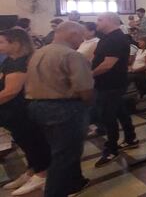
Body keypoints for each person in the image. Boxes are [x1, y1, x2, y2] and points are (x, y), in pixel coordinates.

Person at [26, 22, 93, 197]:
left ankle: (75, 182)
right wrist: (87, 104)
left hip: (37, 106)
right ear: (72, 34)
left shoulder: (40, 52)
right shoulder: (71, 55)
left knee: (57, 148)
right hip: (63, 108)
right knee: (64, 156)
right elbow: (84, 88)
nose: (82, 40)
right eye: (80, 36)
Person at [0, 29, 50, 196]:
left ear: (16, 44)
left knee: (32, 141)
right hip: (12, 111)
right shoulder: (10, 60)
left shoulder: (21, 63)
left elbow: (10, 92)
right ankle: (32, 171)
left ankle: (42, 174)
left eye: (2, 42)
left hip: (21, 110)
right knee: (24, 142)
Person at [92, 12, 137, 167]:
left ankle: (112, 149)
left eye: (99, 19)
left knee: (108, 116)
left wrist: (89, 74)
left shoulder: (117, 39)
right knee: (119, 111)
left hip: (111, 84)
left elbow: (108, 64)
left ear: (110, 21)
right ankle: (131, 138)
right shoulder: (106, 38)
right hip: (107, 84)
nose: (96, 22)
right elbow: (97, 58)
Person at [129, 35, 146, 99]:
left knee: (128, 77)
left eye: (141, 41)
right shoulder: (139, 50)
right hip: (135, 71)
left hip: (143, 72)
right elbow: (134, 61)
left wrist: (135, 70)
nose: (139, 42)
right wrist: (131, 68)